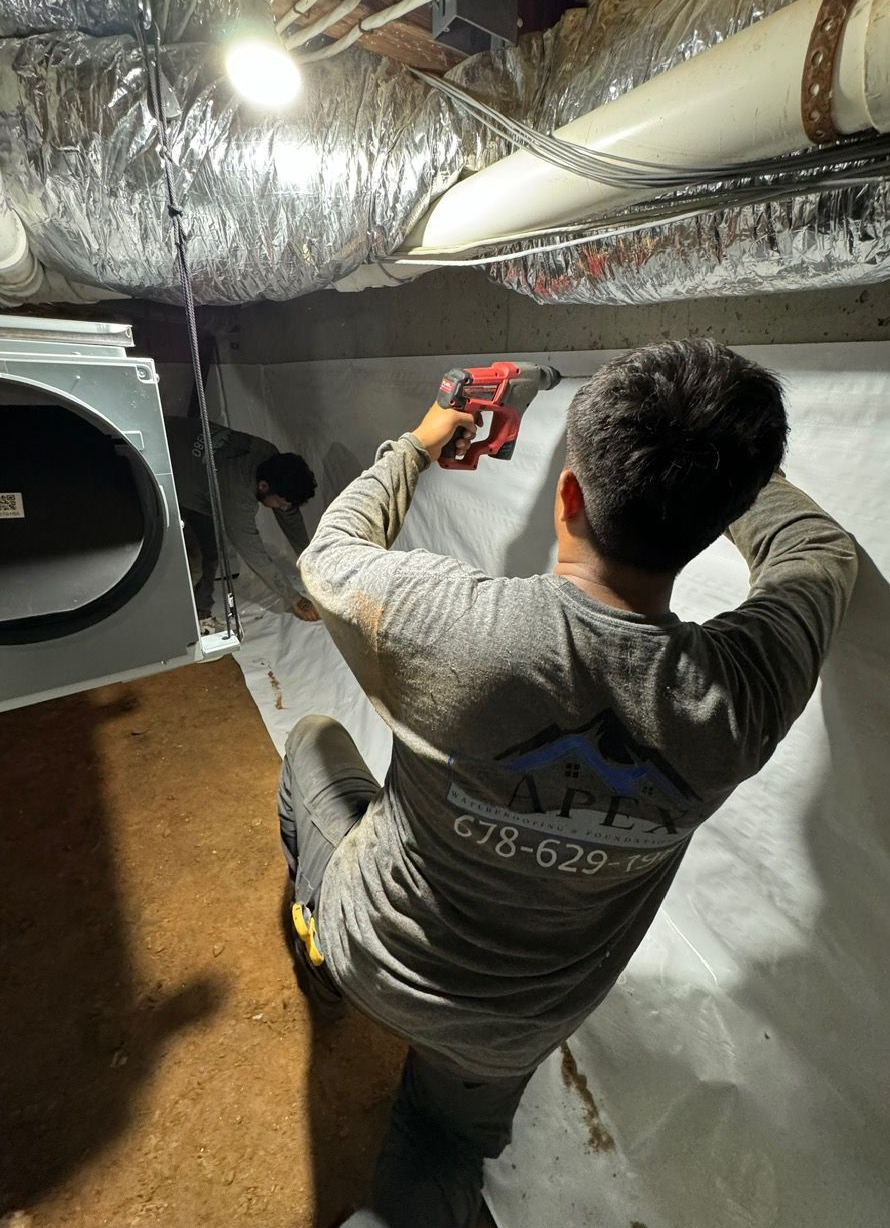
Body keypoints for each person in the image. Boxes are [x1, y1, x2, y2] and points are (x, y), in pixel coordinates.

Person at [275, 340, 859, 1228]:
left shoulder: (444, 625)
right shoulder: (744, 693)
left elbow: (331, 551)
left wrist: (422, 442)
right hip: (520, 1024)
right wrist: (711, 478)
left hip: (377, 952)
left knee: (313, 744)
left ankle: (319, 942)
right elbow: (817, 550)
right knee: (441, 1146)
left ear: (569, 496)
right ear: (717, 525)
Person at [165, 415, 319, 626]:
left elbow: (290, 515)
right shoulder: (236, 496)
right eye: (281, 502)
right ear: (264, 486)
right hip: (163, 465)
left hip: (185, 448)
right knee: (199, 556)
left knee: (209, 549)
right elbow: (255, 554)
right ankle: (183, 616)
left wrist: (311, 563)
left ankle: (199, 607)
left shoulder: (270, 456)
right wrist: (294, 598)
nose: (284, 508)